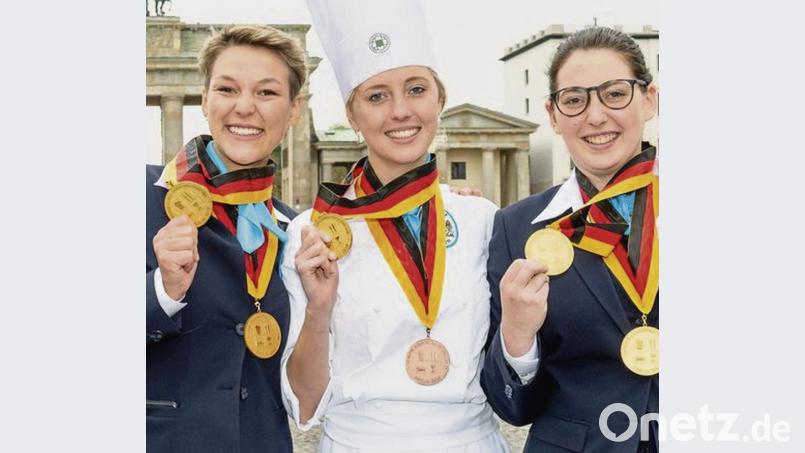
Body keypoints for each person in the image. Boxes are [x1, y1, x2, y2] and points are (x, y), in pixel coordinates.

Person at [279, 0, 508, 451]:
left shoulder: (483, 219)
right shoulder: (314, 233)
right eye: (377, 96)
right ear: (352, 115)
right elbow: (304, 408)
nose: (401, 111)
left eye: (417, 89)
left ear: (440, 99)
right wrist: (319, 310)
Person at [481, 27, 660, 453]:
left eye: (615, 93)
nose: (595, 116)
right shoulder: (517, 228)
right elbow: (513, 409)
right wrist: (517, 337)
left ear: (650, 99)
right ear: (553, 115)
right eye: (575, 99)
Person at [145, 25, 306, 453]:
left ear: (294, 111)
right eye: (228, 89)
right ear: (205, 100)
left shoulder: (294, 229)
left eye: (267, 93)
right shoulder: (137, 196)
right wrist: (162, 290)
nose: (245, 107)